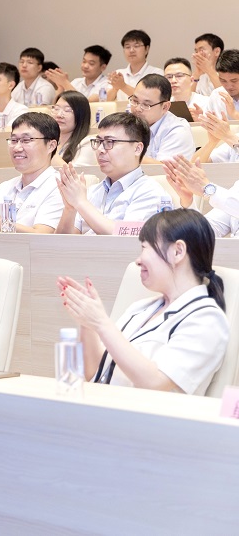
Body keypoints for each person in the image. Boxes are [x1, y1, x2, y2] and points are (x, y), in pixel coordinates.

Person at [58, 209, 227, 395]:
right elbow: (95, 373)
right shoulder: (140, 308)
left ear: (178, 252)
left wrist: (101, 323)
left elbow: (155, 382)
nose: (138, 261)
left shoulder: (207, 319)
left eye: (145, 248)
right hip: (101, 404)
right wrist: (88, 323)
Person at [56, 112, 164, 235]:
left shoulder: (150, 192)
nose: (100, 150)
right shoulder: (92, 192)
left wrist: (81, 202)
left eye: (110, 142)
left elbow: (125, 238)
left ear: (137, 148)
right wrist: (69, 209)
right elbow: (61, 243)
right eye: (99, 142)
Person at [128, 73, 195, 162]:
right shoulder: (127, 122)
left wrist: (124, 155)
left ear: (165, 107)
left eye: (146, 105)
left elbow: (163, 168)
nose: (137, 108)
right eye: (135, 101)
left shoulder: (177, 130)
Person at [108, 29, 163, 100]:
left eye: (136, 46)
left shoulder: (156, 74)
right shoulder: (118, 74)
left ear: (147, 49)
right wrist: (115, 88)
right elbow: (106, 101)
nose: (131, 50)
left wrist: (123, 86)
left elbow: (150, 99)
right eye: (127, 47)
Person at [44, 45, 112, 101]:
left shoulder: (108, 84)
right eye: (84, 61)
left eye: (91, 63)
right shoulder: (76, 82)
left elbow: (87, 104)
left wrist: (65, 83)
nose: (85, 66)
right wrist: (60, 87)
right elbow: (58, 105)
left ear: (103, 67)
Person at [51, 90, 96, 166]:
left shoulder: (88, 143)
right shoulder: (50, 141)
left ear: (81, 115)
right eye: (56, 109)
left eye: (67, 110)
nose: (59, 115)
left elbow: (76, 172)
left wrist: (49, 150)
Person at [203, 49, 239, 120]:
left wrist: (234, 114)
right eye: (223, 81)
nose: (229, 86)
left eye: (234, 81)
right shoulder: (216, 95)